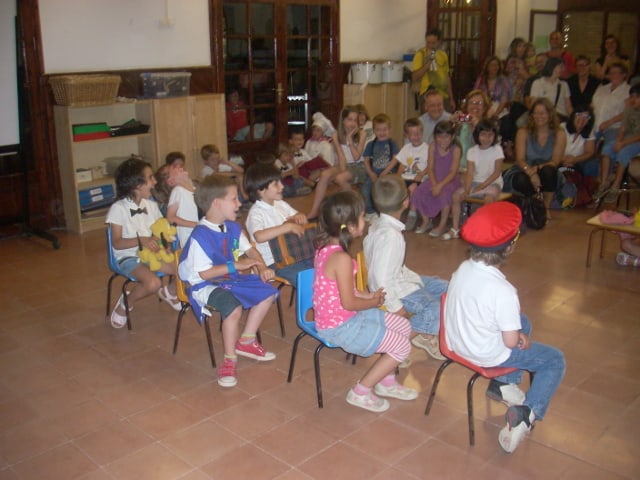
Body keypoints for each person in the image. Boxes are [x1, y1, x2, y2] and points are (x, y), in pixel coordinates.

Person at [446, 201, 565, 453]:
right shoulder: (504, 291)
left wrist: (517, 332)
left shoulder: (463, 268)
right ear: (510, 247)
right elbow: (511, 343)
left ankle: (502, 385)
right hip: (485, 354)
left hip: (456, 343)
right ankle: (525, 415)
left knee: (523, 322)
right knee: (554, 360)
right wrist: (516, 337)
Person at [313, 190, 418, 412]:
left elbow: (342, 290)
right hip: (339, 326)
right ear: (350, 227)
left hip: (346, 316)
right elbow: (349, 303)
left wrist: (367, 295)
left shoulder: (327, 248)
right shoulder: (340, 258)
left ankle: (386, 381)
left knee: (403, 326)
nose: (367, 220)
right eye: (362, 216)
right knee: (401, 345)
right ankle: (360, 392)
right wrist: (371, 303)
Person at [178, 175, 278, 388]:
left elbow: (250, 250)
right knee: (233, 309)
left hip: (228, 278)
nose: (239, 203)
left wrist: (261, 267)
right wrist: (236, 266)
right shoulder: (200, 235)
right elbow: (204, 274)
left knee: (268, 292)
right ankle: (229, 359)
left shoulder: (232, 227)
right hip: (204, 285)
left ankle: (247, 341)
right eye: (234, 199)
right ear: (217, 203)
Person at [364, 176, 448, 360]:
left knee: (446, 288)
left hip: (400, 280)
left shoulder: (379, 224)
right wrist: (396, 309)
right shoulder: (391, 237)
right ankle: (396, 345)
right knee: (436, 309)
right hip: (393, 292)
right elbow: (381, 279)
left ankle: (422, 333)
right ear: (406, 202)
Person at [106, 156, 181, 328]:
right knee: (153, 283)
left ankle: (169, 292)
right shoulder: (118, 209)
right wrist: (143, 240)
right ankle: (127, 301)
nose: (154, 182)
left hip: (152, 255)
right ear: (136, 185)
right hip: (128, 257)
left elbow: (160, 231)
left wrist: (165, 244)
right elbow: (117, 243)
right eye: (150, 178)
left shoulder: (151, 205)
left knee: (183, 268)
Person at [244, 162, 312, 286]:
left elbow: (298, 219)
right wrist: (287, 227)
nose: (282, 186)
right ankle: (320, 301)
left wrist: (299, 216)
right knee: (306, 280)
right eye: (276, 184)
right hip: (274, 263)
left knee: (324, 265)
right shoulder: (256, 213)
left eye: (280, 182)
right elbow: (259, 236)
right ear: (261, 189)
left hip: (293, 255)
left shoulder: (280, 204)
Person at [510, 98, 567, 220]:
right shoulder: (523, 131)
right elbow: (520, 159)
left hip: (546, 167)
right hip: (524, 167)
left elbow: (556, 161)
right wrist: (530, 172)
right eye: (535, 113)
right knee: (520, 179)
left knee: (549, 171)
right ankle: (535, 202)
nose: (538, 116)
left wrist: (536, 169)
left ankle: (545, 207)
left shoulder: (559, 133)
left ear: (550, 114)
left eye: (542, 113)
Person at [450, 119, 505, 238]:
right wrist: (467, 189)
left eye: (490, 134)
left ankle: (486, 229)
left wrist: (482, 186)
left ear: (495, 135)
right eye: (483, 134)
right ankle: (455, 228)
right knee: (456, 196)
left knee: (488, 199)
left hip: (493, 183)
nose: (487, 138)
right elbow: (470, 173)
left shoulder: (497, 149)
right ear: (477, 135)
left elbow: (496, 173)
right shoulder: (472, 151)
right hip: (475, 182)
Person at [306, 107, 359, 219]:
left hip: (355, 165)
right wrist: (335, 139)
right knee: (324, 174)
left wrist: (338, 140)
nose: (353, 123)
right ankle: (315, 210)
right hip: (341, 164)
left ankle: (351, 208)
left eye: (355, 120)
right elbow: (340, 159)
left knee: (340, 177)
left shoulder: (360, 134)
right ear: (343, 120)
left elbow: (351, 160)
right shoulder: (337, 135)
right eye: (350, 119)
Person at [411, 120, 462, 237]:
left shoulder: (456, 149)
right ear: (435, 137)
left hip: (450, 180)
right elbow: (430, 167)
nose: (442, 140)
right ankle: (426, 221)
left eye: (446, 137)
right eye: (439, 136)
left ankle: (442, 224)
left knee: (444, 194)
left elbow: (453, 172)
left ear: (452, 136)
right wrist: (434, 184)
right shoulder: (433, 146)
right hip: (435, 178)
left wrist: (439, 186)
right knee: (418, 192)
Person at [592, 62, 631, 197]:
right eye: (611, 73)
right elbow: (593, 106)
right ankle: (590, 181)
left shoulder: (627, 91)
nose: (613, 75)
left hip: (615, 126)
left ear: (624, 75)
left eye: (616, 73)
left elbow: (627, 112)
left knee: (608, 148)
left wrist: (609, 122)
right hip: (596, 125)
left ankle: (604, 183)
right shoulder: (602, 88)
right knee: (587, 149)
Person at [600, 83, 640, 203]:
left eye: (637, 97)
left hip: (636, 141)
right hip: (626, 139)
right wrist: (618, 141)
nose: (633, 100)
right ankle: (603, 183)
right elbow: (622, 129)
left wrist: (623, 144)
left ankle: (616, 185)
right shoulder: (628, 110)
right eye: (631, 96)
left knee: (623, 153)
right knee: (606, 149)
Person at [362, 113, 400, 217]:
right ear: (374, 130)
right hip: (374, 174)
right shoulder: (371, 144)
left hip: (389, 173)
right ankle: (371, 212)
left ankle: (388, 213)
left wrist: (385, 172)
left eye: (385, 129)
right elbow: (365, 160)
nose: (382, 132)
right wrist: (371, 174)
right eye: (378, 129)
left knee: (387, 192)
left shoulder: (392, 143)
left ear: (390, 129)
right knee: (366, 189)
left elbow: (395, 159)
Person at [396, 118, 430, 231]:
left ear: (422, 132)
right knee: (394, 188)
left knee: (412, 188)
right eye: (413, 134)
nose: (416, 137)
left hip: (420, 179)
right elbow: (402, 164)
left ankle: (412, 214)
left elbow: (431, 166)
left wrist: (421, 174)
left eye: (418, 133)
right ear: (407, 135)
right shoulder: (406, 148)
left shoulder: (427, 148)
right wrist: (397, 177)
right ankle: (394, 216)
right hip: (406, 178)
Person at [412, 28, 456, 112]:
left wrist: (451, 98)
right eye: (428, 42)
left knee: (445, 122)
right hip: (428, 93)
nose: (430, 45)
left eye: (433, 43)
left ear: (439, 42)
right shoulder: (420, 54)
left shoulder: (443, 55)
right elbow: (415, 77)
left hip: (443, 95)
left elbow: (447, 77)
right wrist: (428, 63)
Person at [159, 162, 198, 248]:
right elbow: (170, 218)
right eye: (174, 169)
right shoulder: (178, 191)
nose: (178, 167)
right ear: (171, 181)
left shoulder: (194, 190)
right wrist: (196, 225)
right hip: (190, 237)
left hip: (200, 233)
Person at [457, 89, 493, 170]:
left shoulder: (489, 126)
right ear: (466, 107)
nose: (475, 106)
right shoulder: (461, 123)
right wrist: (453, 123)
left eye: (479, 103)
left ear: (484, 108)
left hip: (481, 169)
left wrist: (478, 126)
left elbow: (489, 148)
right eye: (471, 103)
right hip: (460, 168)